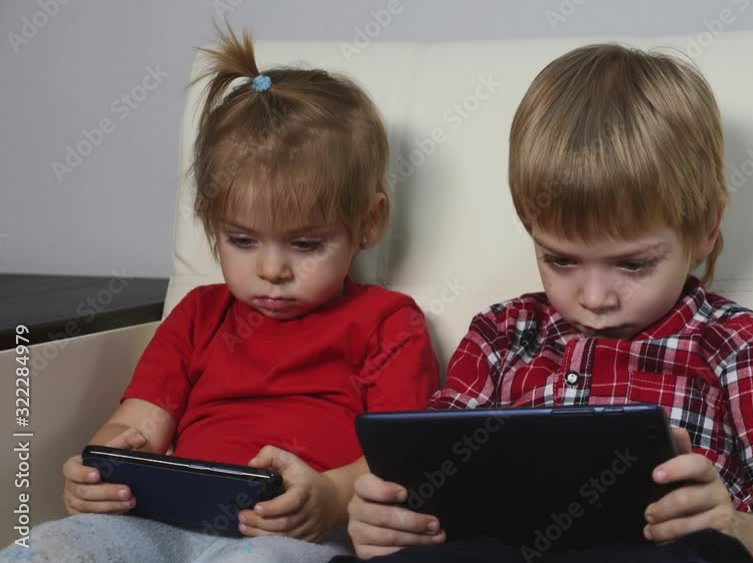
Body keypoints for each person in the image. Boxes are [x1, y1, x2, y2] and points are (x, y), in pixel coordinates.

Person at [343, 43, 753, 563]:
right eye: (560, 260)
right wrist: (385, 518)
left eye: (633, 265)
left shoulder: (746, 347)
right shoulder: (500, 334)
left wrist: (731, 526)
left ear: (705, 230)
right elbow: (423, 481)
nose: (594, 298)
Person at [0, 24, 439, 563]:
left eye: (305, 243)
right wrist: (102, 467)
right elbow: (138, 424)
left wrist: (327, 497)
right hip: (162, 522)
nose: (272, 269)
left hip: (294, 537)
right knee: (44, 548)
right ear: (212, 226)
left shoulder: (388, 322)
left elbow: (398, 465)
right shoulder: (199, 314)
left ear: (368, 222)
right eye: (242, 240)